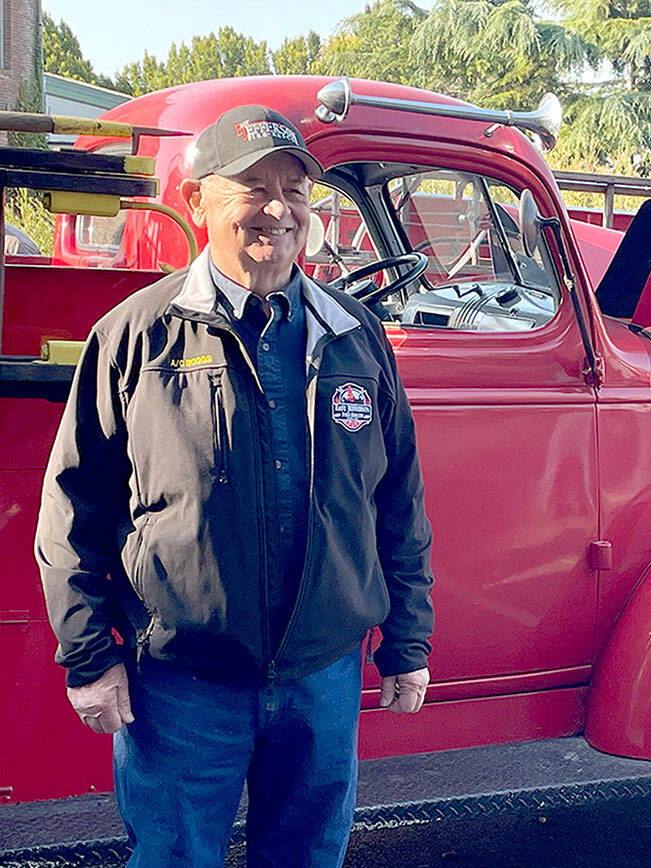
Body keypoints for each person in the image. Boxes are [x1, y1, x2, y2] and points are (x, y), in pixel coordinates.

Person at [35, 105, 434, 868]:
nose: (279, 211)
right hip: (183, 685)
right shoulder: (136, 336)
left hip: (322, 675)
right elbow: (71, 508)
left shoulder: (355, 336)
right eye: (254, 188)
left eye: (295, 191)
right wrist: (87, 656)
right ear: (197, 200)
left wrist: (408, 640)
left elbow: (397, 502)